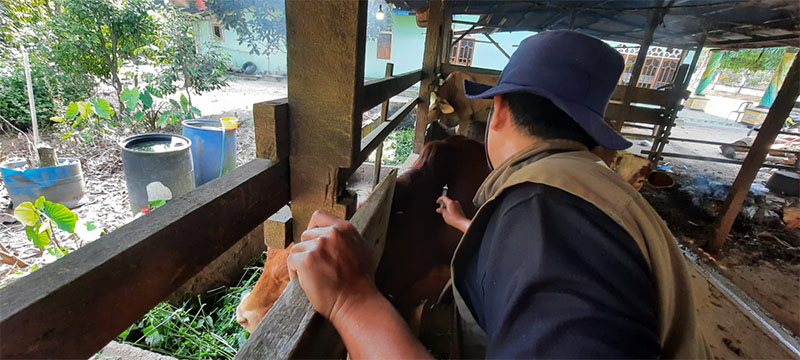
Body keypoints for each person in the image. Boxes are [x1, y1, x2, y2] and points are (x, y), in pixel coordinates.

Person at [287, 30, 711, 359]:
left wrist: (351, 300)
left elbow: (550, 260)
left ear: (500, 109)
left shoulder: (548, 215)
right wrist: (468, 226)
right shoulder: (585, 190)